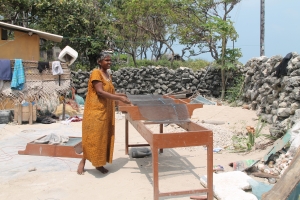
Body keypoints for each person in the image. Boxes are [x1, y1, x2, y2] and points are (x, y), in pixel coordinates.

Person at [77, 52, 130, 175]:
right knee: (92, 137)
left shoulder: (108, 75)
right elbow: (100, 92)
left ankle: (99, 164)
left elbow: (109, 91)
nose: (109, 62)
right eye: (106, 60)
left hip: (106, 112)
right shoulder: (96, 73)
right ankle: (83, 161)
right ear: (99, 62)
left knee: (102, 138)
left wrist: (121, 95)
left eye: (110, 60)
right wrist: (120, 99)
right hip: (95, 112)